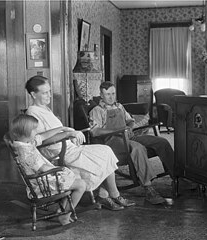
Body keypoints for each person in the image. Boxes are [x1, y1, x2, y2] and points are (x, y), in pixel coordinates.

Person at [25, 75, 135, 211]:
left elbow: (53, 132)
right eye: (44, 93)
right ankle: (113, 194)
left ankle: (106, 194)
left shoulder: (45, 109)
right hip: (58, 153)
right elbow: (40, 141)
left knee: (105, 151)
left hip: (67, 146)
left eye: (49, 91)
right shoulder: (32, 113)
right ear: (33, 94)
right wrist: (67, 134)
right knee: (104, 152)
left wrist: (71, 134)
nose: (49, 96)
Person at [89, 81, 174, 205]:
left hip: (128, 137)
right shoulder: (97, 110)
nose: (111, 97)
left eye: (113, 93)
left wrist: (129, 127)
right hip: (112, 142)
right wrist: (117, 130)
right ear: (101, 95)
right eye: (107, 94)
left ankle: (177, 176)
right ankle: (148, 188)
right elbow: (95, 132)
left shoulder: (120, 107)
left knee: (162, 142)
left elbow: (130, 121)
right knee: (138, 148)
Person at [9, 114, 86, 225]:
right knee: (81, 185)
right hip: (41, 185)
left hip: (42, 180)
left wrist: (62, 128)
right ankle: (65, 216)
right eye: (34, 130)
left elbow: (43, 136)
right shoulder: (26, 152)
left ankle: (62, 209)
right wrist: (60, 169)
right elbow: (43, 168)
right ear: (26, 132)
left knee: (76, 175)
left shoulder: (23, 143)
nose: (36, 132)